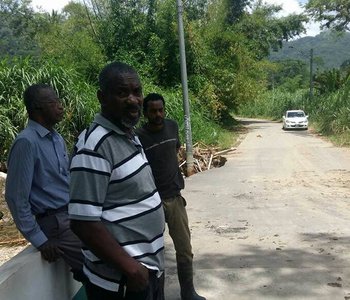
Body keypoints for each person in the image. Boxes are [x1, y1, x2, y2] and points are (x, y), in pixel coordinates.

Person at [69, 62, 165, 300]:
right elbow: (83, 222)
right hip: (122, 281)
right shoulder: (95, 148)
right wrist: (132, 270)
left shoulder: (127, 134)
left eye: (137, 92)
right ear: (102, 97)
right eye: (122, 93)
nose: (133, 100)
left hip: (147, 268)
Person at [5, 83, 84, 281]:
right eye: (53, 102)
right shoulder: (26, 142)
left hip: (71, 215)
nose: (60, 106)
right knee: (100, 265)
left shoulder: (56, 138)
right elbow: (16, 197)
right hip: (54, 223)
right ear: (37, 107)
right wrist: (39, 239)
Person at [136, 93, 206, 300]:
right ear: (145, 113)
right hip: (151, 201)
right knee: (154, 254)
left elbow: (175, 149)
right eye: (153, 111)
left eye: (160, 110)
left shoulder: (172, 126)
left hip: (175, 198)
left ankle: (188, 293)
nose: (158, 114)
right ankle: (159, 296)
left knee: (184, 249)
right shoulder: (139, 136)